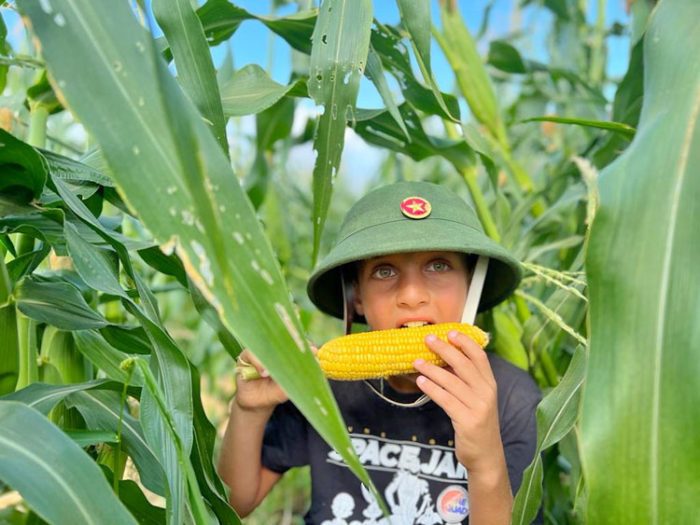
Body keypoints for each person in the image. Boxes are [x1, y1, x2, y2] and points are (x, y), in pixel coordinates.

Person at [218, 181, 541, 524]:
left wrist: (485, 463)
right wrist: (248, 410)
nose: (412, 294)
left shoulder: (511, 398)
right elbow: (234, 503)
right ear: (357, 298)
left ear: (471, 286)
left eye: (439, 265)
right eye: (384, 271)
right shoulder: (322, 388)